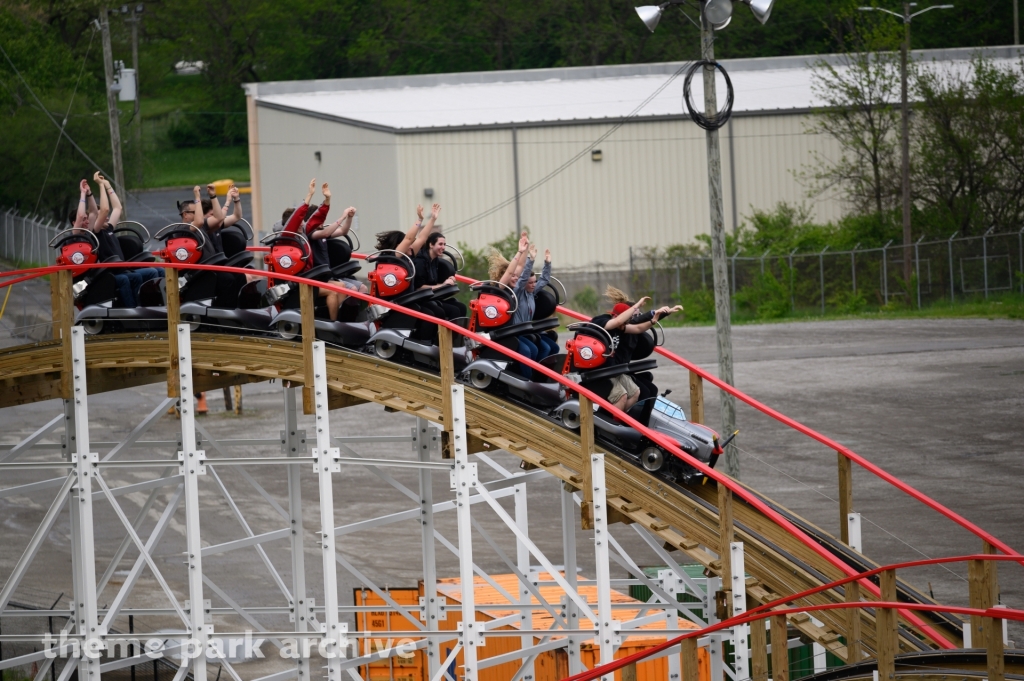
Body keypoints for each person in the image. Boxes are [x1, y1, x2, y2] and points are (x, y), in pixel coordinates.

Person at [592, 286, 681, 422]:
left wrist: (658, 317)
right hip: (603, 371)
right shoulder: (604, 322)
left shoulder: (623, 328)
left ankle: (628, 422)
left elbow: (638, 326)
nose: (635, 317)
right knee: (635, 393)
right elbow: (630, 322)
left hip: (617, 370)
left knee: (645, 389)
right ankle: (613, 421)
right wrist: (650, 310)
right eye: (634, 314)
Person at [88, 173, 160, 307]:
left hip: (123, 269)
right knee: (134, 278)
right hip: (111, 273)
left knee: (158, 271)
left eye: (106, 216)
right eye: (103, 216)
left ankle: (158, 304)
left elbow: (117, 208)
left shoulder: (108, 228)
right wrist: (100, 185)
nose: (107, 217)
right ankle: (134, 307)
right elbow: (105, 209)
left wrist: (108, 185)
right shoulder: (96, 232)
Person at [509, 243, 555, 377]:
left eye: (534, 282)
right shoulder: (519, 292)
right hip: (515, 332)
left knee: (549, 347)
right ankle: (528, 379)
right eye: (530, 283)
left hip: (526, 331)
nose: (533, 285)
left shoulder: (532, 292)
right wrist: (531, 259)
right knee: (531, 350)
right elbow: (522, 279)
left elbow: (545, 279)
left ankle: (541, 376)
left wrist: (547, 263)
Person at [413, 231, 467, 323]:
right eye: (440, 244)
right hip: (421, 299)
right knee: (453, 311)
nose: (443, 247)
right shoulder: (420, 262)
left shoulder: (435, 261)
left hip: (432, 297)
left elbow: (434, 283)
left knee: (461, 307)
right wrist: (443, 285)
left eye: (444, 244)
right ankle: (446, 337)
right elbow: (419, 287)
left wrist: (448, 281)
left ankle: (458, 337)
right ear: (431, 245)